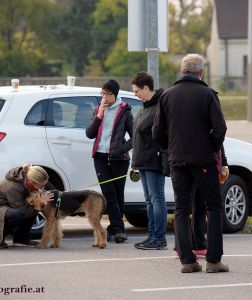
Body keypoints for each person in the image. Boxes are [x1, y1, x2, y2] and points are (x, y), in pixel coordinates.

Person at [152, 53, 229, 273]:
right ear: (200, 72)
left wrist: (171, 147)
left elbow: (157, 131)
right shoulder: (207, 94)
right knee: (213, 207)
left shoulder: (167, 96)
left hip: (177, 161)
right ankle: (213, 261)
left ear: (182, 70)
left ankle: (187, 260)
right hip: (203, 160)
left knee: (181, 209)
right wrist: (212, 147)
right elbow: (220, 128)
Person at [86, 79, 133, 243]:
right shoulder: (99, 109)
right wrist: (99, 116)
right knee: (109, 192)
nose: (104, 97)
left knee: (118, 194)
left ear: (115, 94)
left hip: (119, 159)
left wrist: (121, 148)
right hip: (99, 157)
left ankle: (115, 229)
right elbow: (89, 134)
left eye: (107, 94)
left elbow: (135, 137)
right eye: (102, 93)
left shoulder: (125, 110)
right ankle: (119, 229)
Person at [131, 71, 169, 250]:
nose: (135, 94)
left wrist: (164, 161)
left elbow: (162, 137)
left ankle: (159, 238)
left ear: (146, 88)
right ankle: (152, 235)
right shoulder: (145, 106)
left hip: (153, 161)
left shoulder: (159, 106)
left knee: (156, 199)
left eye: (137, 91)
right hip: (143, 161)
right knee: (149, 200)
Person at [174, 146, 230, 259]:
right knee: (184, 208)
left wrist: (223, 162)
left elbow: (219, 139)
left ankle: (199, 245)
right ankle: (183, 248)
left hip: (204, 162)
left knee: (200, 205)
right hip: (192, 161)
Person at [0, 164, 53, 249]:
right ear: (32, 182)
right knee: (18, 214)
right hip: (1, 207)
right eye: (42, 185)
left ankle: (21, 240)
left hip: (9, 205)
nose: (43, 188)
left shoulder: (27, 179)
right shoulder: (14, 187)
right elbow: (23, 212)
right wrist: (41, 202)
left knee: (32, 207)